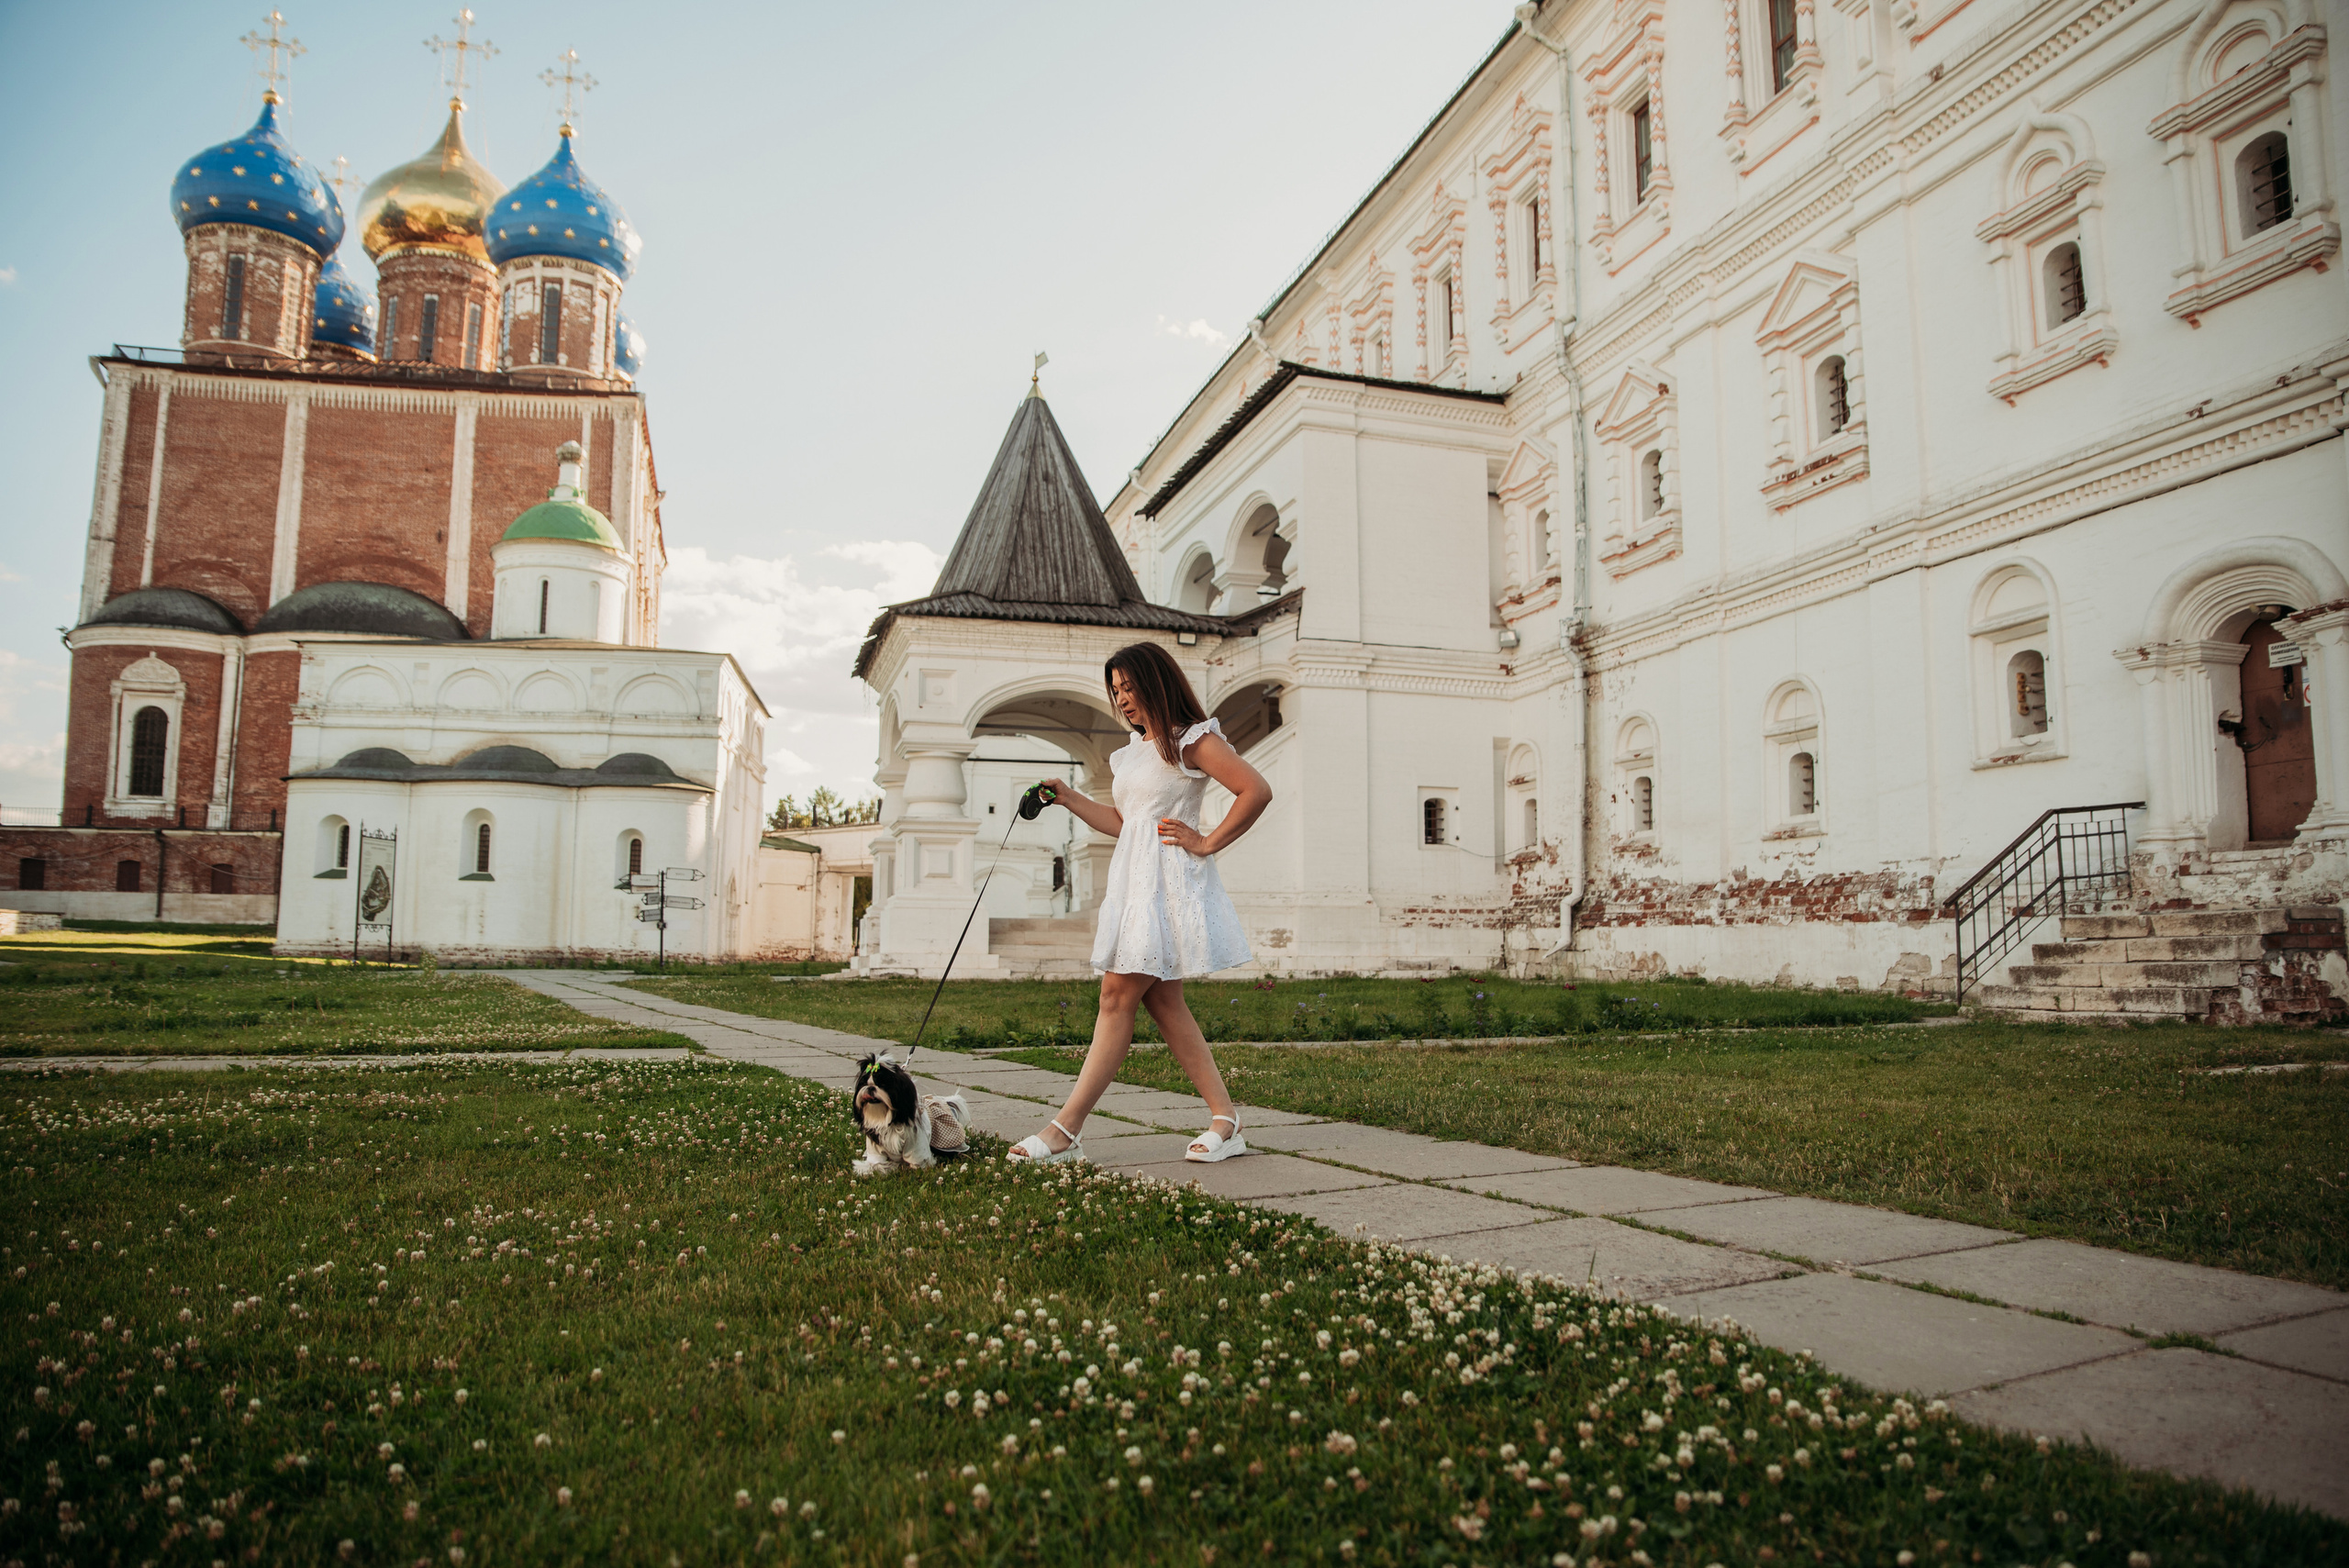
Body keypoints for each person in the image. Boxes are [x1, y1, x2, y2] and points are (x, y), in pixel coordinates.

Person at [1006, 641, 1273, 1166]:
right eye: (1116, 690)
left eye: (1130, 686)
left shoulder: (1190, 740)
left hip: (1167, 884)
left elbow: (1256, 790)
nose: (1123, 698)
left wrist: (1207, 841)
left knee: (1115, 997)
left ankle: (1065, 1129)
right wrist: (1067, 796)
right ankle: (1227, 1120)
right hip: (1135, 881)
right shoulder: (1132, 753)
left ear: (1156, 682)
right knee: (1162, 1001)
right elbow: (1127, 823)